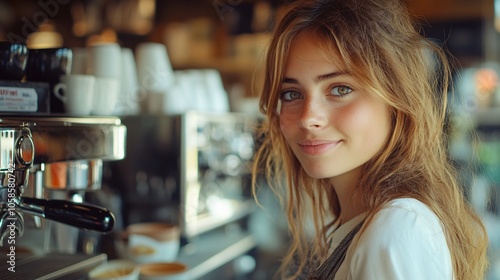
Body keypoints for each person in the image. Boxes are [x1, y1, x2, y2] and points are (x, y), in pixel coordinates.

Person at [251, 0, 489, 279]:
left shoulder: (395, 229)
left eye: (340, 89)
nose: (308, 118)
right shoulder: (368, 223)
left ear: (396, 100)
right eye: (291, 94)